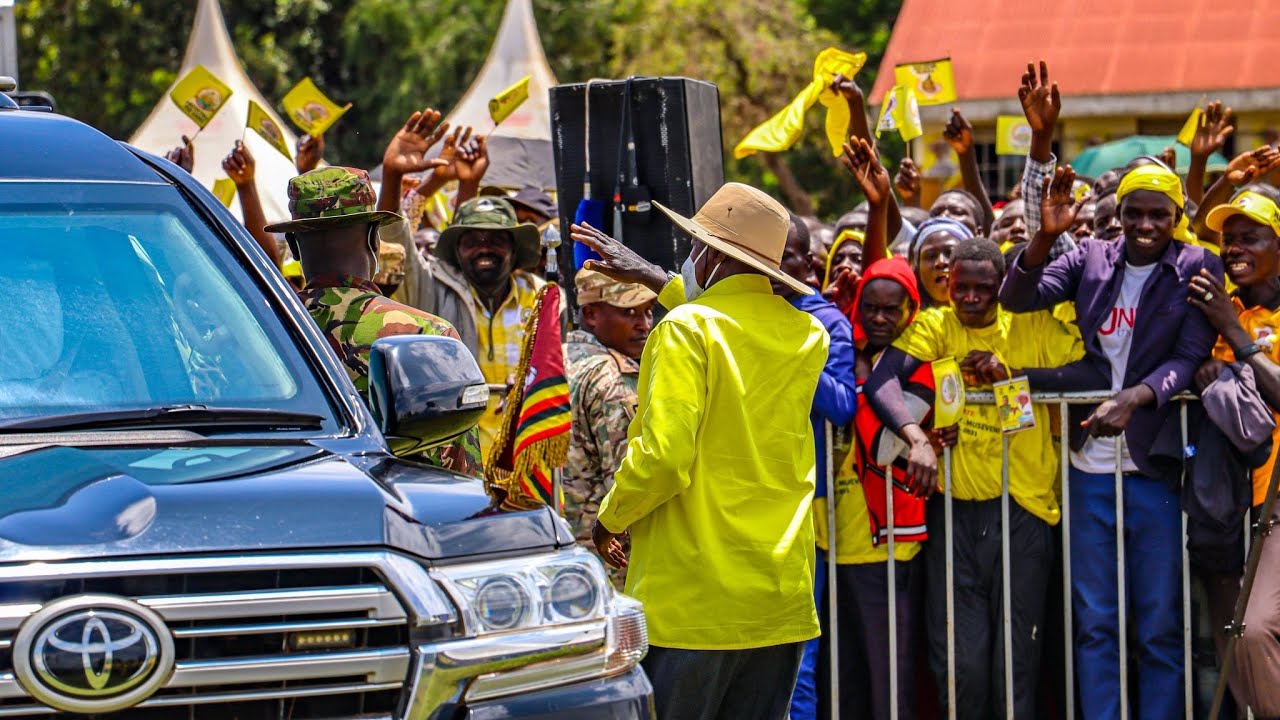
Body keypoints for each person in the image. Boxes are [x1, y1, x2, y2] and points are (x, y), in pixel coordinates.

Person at [572, 182, 829, 720]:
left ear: (710, 254)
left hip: (693, 600)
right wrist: (659, 281)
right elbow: (738, 322)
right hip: (778, 595)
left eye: (693, 246)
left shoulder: (684, 330)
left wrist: (610, 518)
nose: (689, 258)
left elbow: (664, 458)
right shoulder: (807, 336)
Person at [1000, 158, 1224, 719]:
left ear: (1177, 216)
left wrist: (1137, 397)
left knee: (1159, 623)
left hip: (1155, 466)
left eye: (1158, 214)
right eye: (1133, 213)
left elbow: (1190, 353)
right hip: (1089, 469)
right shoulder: (1092, 258)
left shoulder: (1198, 264)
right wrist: (1046, 236)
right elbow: (1017, 298)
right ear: (1118, 215)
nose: (1145, 224)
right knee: (1096, 621)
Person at [867, 236, 1084, 719]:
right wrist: (916, 438)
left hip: (1023, 512)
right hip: (954, 512)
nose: (967, 298)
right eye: (958, 287)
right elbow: (882, 381)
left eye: (981, 289)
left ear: (1002, 285)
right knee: (961, 665)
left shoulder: (1031, 324)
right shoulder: (937, 325)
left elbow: (1095, 375)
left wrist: (1014, 376)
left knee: (1016, 662)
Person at [266, 166, 481, 477]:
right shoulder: (426, 334)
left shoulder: (259, 330)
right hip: (394, 513)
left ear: (294, 246)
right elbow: (461, 474)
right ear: (373, 239)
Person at [372, 108, 548, 457]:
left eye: (496, 239)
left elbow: (561, 367)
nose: (485, 247)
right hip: (458, 464)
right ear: (457, 249)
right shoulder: (432, 292)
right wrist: (392, 176)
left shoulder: (540, 296)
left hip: (526, 465)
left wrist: (535, 382)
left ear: (514, 249)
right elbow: (394, 243)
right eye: (472, 239)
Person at [1190, 187, 1280, 716]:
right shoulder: (1222, 303)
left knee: (1256, 628)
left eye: (1251, 237)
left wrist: (1233, 337)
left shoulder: (1228, 315)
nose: (1235, 248)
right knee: (1230, 635)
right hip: (1225, 501)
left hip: (1275, 499)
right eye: (1229, 240)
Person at [777, 214, 858, 720]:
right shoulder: (735, 314)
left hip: (804, 510)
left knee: (797, 655)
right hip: (743, 500)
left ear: (808, 264)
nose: (777, 270)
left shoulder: (825, 322)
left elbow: (843, 403)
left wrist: (790, 344)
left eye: (788, 257)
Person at [563, 268, 656, 571]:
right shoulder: (612, 377)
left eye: (648, 312)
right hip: (607, 551)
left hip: (561, 541)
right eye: (629, 313)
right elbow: (624, 476)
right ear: (591, 314)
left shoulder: (556, 359)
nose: (644, 325)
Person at [909, 217, 973, 308]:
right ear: (918, 267)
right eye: (931, 256)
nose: (941, 262)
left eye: (950, 253)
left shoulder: (995, 317)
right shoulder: (904, 320)